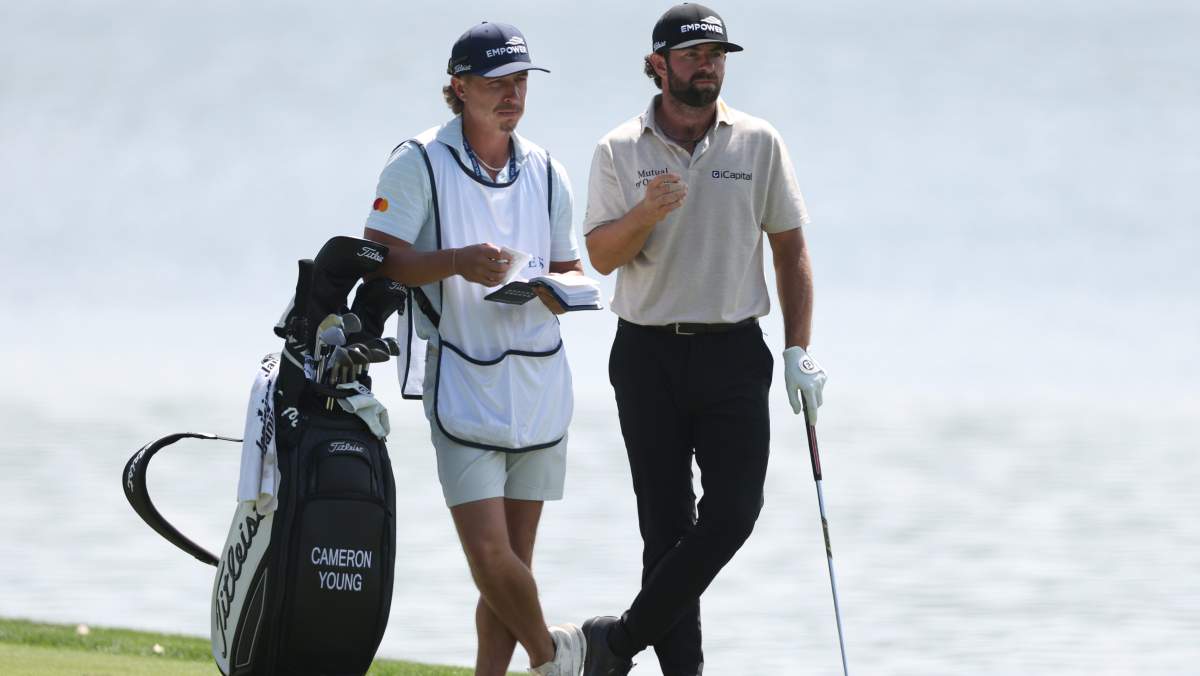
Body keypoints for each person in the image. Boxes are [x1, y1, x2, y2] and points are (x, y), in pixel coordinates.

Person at [578, 4, 829, 675]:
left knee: (735, 513)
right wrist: (645, 213)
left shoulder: (758, 141)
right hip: (647, 354)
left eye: (716, 56)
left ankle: (617, 643)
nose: (707, 68)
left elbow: (791, 250)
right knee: (664, 529)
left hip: (734, 352)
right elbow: (601, 256)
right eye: (692, 56)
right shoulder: (618, 149)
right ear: (658, 65)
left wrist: (798, 349)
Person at [362, 21, 586, 676]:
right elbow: (377, 260)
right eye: (496, 82)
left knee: (514, 567)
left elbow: (570, 267)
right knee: (490, 558)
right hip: (462, 378)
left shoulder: (547, 171)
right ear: (459, 87)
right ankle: (556, 657)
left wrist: (563, 290)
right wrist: (456, 261)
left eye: (520, 81)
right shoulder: (418, 161)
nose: (512, 95)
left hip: (539, 383)